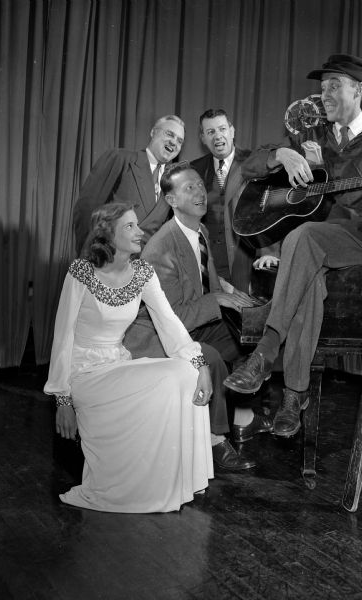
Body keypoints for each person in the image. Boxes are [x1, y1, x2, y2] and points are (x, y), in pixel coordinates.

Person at [224, 53, 362, 438]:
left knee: (303, 237)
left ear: (358, 90)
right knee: (308, 274)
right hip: (319, 249)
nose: (324, 94)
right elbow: (247, 166)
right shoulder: (312, 141)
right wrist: (283, 154)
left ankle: (264, 353)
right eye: (322, 87)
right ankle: (295, 396)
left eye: (334, 86)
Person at [44, 202, 213, 513]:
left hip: (116, 366)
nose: (140, 232)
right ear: (107, 234)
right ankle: (143, 488)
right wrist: (62, 400)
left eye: (138, 225)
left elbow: (169, 322)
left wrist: (199, 364)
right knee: (168, 377)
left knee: (185, 373)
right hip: (84, 376)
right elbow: (62, 337)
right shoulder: (81, 272)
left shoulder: (142, 273)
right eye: (130, 226)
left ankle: (180, 480)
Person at [123, 163, 274, 470]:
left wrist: (230, 292)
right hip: (159, 335)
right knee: (213, 357)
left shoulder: (200, 231)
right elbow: (173, 318)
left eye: (200, 186)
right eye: (188, 188)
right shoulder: (161, 249)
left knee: (257, 337)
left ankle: (242, 418)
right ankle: (215, 441)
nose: (199, 193)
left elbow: (208, 279)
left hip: (195, 323)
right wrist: (217, 298)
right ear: (171, 200)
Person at [191, 109, 278, 293]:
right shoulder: (194, 169)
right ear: (203, 138)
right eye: (210, 132)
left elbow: (271, 211)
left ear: (232, 131)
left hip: (247, 263)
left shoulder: (255, 162)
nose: (217, 136)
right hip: (209, 268)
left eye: (222, 129)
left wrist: (270, 252)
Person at [73, 115, 185, 256]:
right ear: (153, 132)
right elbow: (86, 208)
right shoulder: (120, 158)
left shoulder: (172, 182)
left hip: (143, 268)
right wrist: (88, 256)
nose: (174, 142)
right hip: (107, 261)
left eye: (180, 141)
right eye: (169, 134)